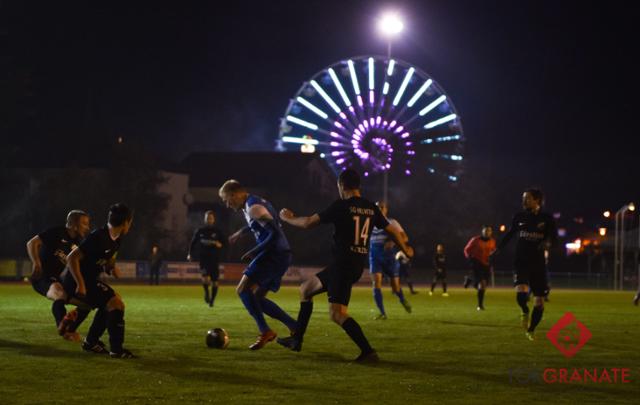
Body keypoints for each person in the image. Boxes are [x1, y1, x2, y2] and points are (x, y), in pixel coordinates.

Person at [277, 169, 414, 362]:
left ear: (341, 185)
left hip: (343, 266)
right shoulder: (371, 208)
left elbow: (308, 223)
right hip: (352, 265)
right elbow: (393, 231)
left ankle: (368, 351)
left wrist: (288, 218)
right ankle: (296, 340)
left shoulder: (341, 206)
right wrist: (405, 249)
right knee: (306, 289)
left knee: (337, 314)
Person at [219, 180, 298, 350]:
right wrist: (241, 232)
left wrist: (254, 251)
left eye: (227, 200)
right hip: (281, 254)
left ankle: (265, 331)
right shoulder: (255, 202)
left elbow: (274, 234)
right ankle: (294, 326)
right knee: (257, 298)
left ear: (234, 194)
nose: (227, 205)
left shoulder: (253, 207)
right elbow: (260, 223)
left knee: (242, 290)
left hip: (272, 254)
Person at [62, 203, 135, 358]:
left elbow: (108, 259)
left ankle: (91, 342)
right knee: (116, 304)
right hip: (76, 281)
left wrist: (111, 268)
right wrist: (80, 285)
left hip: (89, 280)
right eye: (130, 222)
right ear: (125, 222)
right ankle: (116, 350)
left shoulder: (116, 239)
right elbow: (72, 258)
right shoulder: (98, 237)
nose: (130, 226)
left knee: (110, 303)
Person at [491, 189, 557, 340]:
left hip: (538, 264)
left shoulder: (547, 218)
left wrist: (547, 243)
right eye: (523, 198)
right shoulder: (519, 216)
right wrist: (498, 249)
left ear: (537, 200)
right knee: (521, 293)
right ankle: (525, 310)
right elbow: (510, 234)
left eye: (528, 198)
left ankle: (531, 330)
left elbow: (554, 240)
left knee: (539, 302)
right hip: (521, 261)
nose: (524, 201)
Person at [26, 210, 91, 341]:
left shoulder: (78, 243)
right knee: (60, 294)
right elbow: (32, 243)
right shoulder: (57, 232)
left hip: (58, 280)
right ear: (73, 224)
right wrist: (36, 263)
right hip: (42, 277)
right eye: (84, 223)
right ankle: (63, 329)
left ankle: (70, 329)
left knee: (87, 304)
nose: (87, 227)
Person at [368, 201, 412, 319]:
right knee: (376, 283)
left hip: (389, 257)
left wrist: (392, 241)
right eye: (377, 207)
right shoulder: (369, 222)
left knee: (395, 288)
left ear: (386, 209)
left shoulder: (392, 222)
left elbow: (405, 237)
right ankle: (382, 313)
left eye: (382, 207)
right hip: (374, 256)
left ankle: (402, 299)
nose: (380, 209)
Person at [187, 211, 226, 306]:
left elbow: (225, 243)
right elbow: (193, 242)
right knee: (205, 278)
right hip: (203, 259)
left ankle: (212, 300)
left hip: (214, 259)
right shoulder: (200, 231)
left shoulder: (217, 231)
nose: (209, 220)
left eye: (211, 218)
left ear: (213, 220)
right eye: (207, 218)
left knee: (214, 282)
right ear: (205, 219)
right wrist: (190, 254)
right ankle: (207, 293)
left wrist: (220, 245)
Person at [463, 226, 496, 310]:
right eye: (485, 231)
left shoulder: (492, 241)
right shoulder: (475, 240)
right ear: (482, 231)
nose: (487, 232)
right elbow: (466, 250)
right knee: (482, 284)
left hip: (486, 265)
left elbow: (493, 251)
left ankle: (470, 279)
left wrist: (492, 256)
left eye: (489, 231)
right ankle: (480, 305)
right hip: (476, 263)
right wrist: (470, 258)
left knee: (483, 286)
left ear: (491, 232)